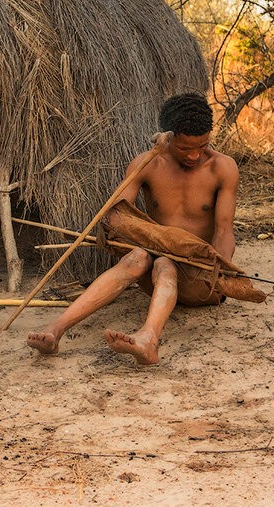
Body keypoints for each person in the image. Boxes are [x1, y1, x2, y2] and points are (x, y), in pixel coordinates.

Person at [26, 92, 240, 365]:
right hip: (155, 276)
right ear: (167, 137)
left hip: (201, 279)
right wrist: (150, 160)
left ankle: (149, 339)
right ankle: (55, 329)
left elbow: (224, 232)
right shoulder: (147, 164)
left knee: (165, 264)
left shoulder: (222, 167)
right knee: (139, 257)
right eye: (186, 148)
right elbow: (118, 218)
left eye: (203, 145)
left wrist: (220, 272)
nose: (195, 155)